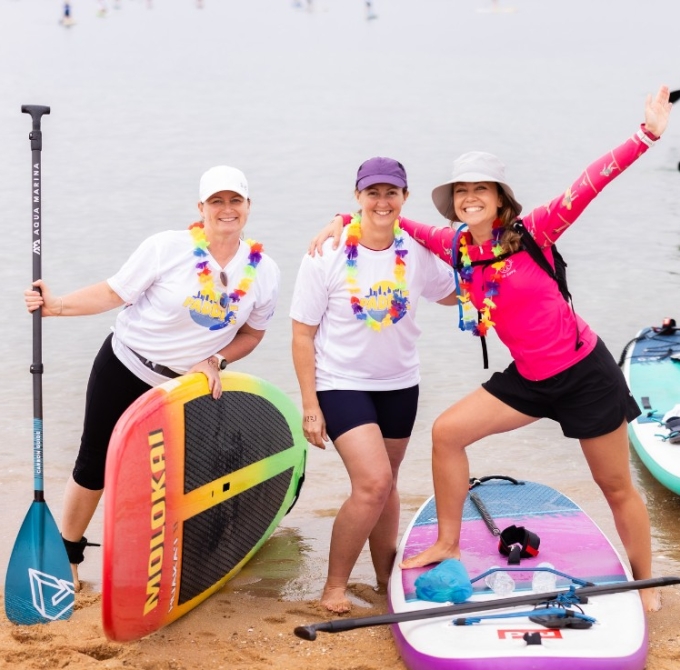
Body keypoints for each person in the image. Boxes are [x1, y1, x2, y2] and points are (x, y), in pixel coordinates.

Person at [311, 86, 673, 612]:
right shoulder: (455, 246)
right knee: (447, 434)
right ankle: (448, 541)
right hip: (527, 377)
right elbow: (392, 221)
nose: (470, 198)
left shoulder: (535, 230)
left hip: (583, 373)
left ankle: (643, 583)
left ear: (500, 197)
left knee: (615, 485)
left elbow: (589, 185)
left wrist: (644, 136)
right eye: (462, 191)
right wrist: (342, 220)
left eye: (481, 189)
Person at [24, 165, 280, 591]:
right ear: (201, 208)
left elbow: (253, 333)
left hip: (184, 389)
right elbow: (112, 293)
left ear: (249, 207)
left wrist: (216, 359)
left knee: (168, 481)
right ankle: (68, 557)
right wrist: (57, 306)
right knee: (94, 467)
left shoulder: (264, 271)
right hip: (125, 366)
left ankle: (162, 566)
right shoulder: (166, 248)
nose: (226, 209)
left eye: (235, 200)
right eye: (216, 201)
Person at [290, 157, 458, 613]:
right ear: (358, 196)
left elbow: (453, 292)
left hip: (401, 384)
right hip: (340, 382)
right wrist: (309, 404)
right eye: (373, 192)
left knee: (389, 484)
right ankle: (333, 587)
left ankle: (387, 581)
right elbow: (302, 333)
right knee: (373, 482)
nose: (382, 201)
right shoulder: (327, 252)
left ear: (405, 197)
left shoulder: (417, 250)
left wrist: (501, 271)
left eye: (391, 192)